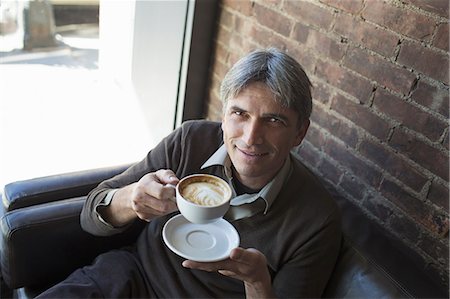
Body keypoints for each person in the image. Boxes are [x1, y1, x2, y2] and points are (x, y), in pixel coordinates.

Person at [37, 48, 342, 298]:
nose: (251, 137)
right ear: (223, 116)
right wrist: (131, 198)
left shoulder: (317, 219)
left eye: (273, 120)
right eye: (240, 114)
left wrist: (258, 282)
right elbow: (90, 216)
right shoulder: (190, 141)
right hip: (128, 278)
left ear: (300, 133)